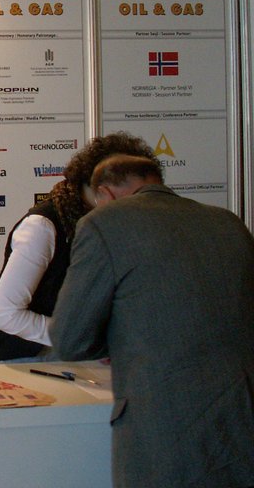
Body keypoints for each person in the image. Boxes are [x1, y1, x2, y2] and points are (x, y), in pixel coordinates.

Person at [51, 154, 254, 488]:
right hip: (240, 426)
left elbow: (70, 339)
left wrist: (118, 340)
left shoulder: (104, 223)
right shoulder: (228, 222)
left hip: (162, 431)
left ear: (105, 193)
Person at [0, 132, 154, 361]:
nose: (141, 204)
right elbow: (6, 315)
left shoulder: (109, 223)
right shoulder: (43, 226)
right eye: (136, 194)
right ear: (105, 189)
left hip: (78, 353)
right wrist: (78, 338)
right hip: (26, 356)